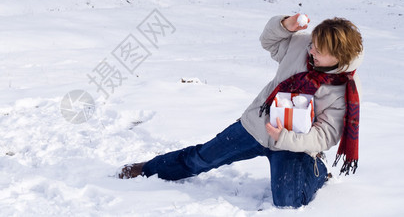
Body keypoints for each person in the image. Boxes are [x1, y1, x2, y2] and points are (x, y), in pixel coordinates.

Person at [118, 14, 364, 208]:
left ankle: (317, 171)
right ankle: (148, 169)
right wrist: (284, 25)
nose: (311, 51)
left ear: (339, 57)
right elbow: (268, 41)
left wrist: (285, 138)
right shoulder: (301, 45)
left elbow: (326, 135)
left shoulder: (345, 90)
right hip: (256, 127)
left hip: (291, 145)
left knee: (288, 202)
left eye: (319, 51)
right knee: (201, 158)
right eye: (312, 45)